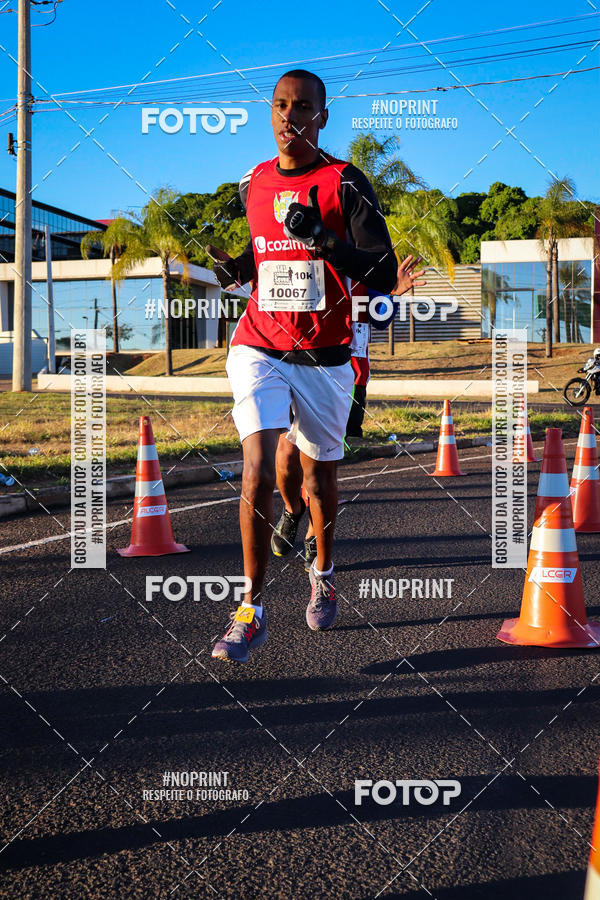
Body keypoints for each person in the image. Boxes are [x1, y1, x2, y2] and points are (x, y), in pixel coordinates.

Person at [207, 68, 400, 664]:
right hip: (260, 343)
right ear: (271, 112)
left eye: (302, 106)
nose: (290, 116)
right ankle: (250, 611)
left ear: (322, 116)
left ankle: (324, 572)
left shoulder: (345, 182)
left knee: (318, 480)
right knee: (257, 468)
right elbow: (262, 253)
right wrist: (234, 269)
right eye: (280, 105)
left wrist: (327, 241)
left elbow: (384, 272)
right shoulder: (254, 182)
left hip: (325, 354)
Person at [270, 260, 427, 573]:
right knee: (286, 454)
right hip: (300, 368)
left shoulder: (364, 276)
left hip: (348, 379)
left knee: (320, 463)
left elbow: (381, 318)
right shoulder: (309, 270)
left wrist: (392, 292)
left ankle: (314, 533)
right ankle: (292, 509)